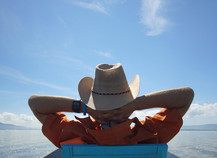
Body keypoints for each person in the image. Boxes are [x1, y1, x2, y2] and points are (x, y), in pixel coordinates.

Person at [29, 63, 194, 148]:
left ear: (94, 103)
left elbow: (34, 103)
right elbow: (187, 95)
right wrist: (136, 104)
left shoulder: (74, 134)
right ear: (128, 102)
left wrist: (83, 107)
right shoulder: (149, 133)